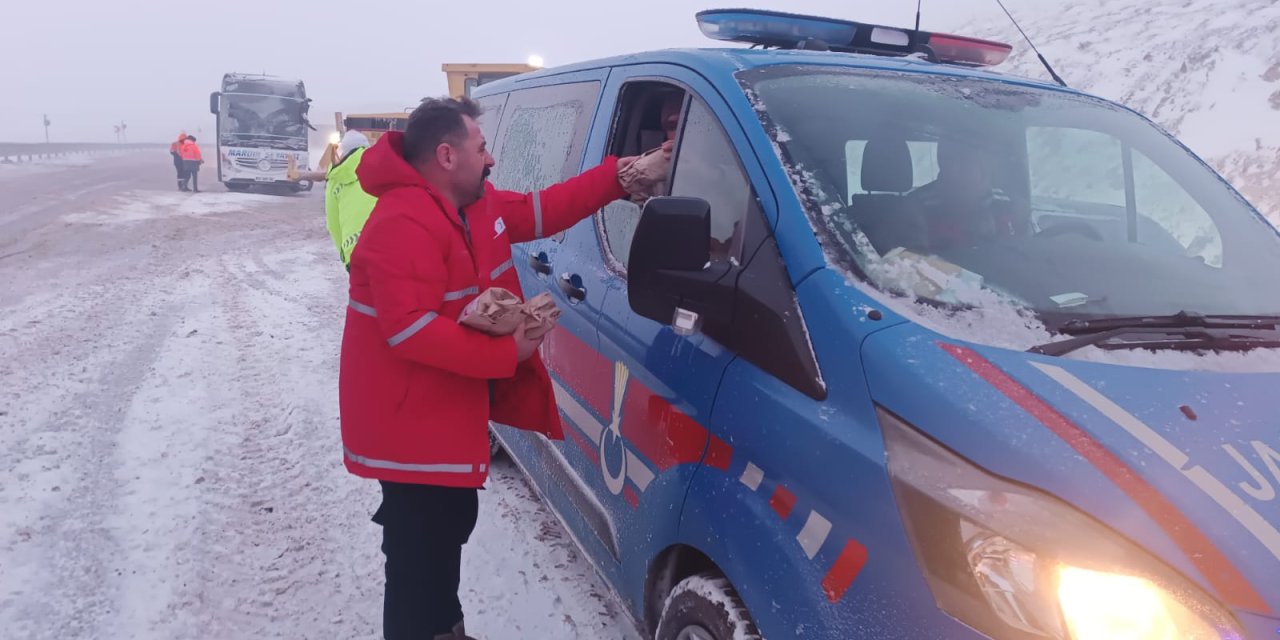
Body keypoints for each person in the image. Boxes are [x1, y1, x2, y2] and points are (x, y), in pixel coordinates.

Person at [341, 96, 636, 640]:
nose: (492, 157)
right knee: (417, 550)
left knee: (449, 525)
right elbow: (407, 330)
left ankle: (444, 628)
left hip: (440, 411)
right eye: (482, 148)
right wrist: (508, 353)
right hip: (406, 425)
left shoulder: (471, 205)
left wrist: (620, 176)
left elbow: (547, 208)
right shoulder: (402, 220)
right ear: (448, 155)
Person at [325, 130, 377, 269]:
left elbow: (333, 222)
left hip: (355, 251)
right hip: (389, 250)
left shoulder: (337, 175)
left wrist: (344, 253)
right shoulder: (382, 168)